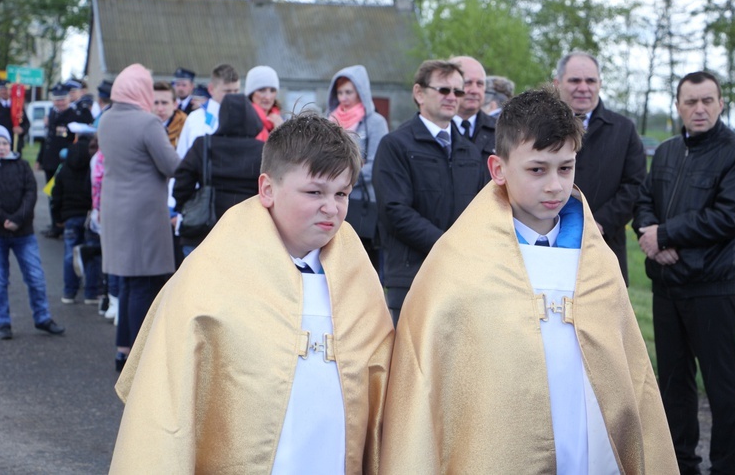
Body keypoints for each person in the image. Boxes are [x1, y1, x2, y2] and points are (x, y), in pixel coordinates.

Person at [380, 87, 678, 473]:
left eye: (566, 167)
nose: (555, 185)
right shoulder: (459, 261)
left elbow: (628, 371)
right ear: (498, 169)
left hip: (590, 442)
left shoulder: (595, 260)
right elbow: (426, 376)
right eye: (537, 169)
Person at [110, 112, 394, 473]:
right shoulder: (212, 271)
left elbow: (379, 382)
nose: (331, 207)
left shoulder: (357, 275)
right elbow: (166, 398)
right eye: (314, 192)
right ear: (267, 189)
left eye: (342, 193)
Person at [633, 71, 735, 475]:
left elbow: (730, 216)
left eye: (707, 101)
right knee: (674, 384)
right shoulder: (664, 151)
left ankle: (727, 467)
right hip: (666, 287)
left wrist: (664, 234)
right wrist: (651, 234)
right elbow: (644, 200)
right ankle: (681, 464)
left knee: (722, 390)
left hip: (710, 288)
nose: (699, 109)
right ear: (678, 105)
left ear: (720, 103)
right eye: (690, 102)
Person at [372, 59, 484, 326]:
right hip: (413, 277)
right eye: (444, 90)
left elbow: (483, 210)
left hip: (462, 278)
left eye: (457, 91)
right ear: (419, 93)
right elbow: (394, 211)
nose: (452, 97)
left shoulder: (470, 151)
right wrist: (447, 245)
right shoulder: (395, 146)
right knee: (411, 365)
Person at [97, 63, 181, 372]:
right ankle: (138, 355)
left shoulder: (106, 120)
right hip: (143, 211)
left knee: (129, 281)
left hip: (115, 208)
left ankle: (123, 349)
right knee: (144, 283)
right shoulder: (148, 123)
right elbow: (171, 165)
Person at [554, 51, 646, 285]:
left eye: (591, 81)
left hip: (605, 247)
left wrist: (599, 223)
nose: (583, 87)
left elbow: (635, 185)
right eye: (575, 80)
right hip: (547, 243)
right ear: (558, 83)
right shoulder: (538, 128)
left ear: (600, 84)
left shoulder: (624, 130)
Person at [173, 93, 264, 256]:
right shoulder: (263, 150)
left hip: (204, 229)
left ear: (222, 117)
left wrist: (185, 205)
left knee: (199, 280)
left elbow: (181, 180)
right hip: (248, 229)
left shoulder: (204, 145)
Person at [0, 125, 65, 340]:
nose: (1, 147)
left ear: (10, 144)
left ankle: (43, 317)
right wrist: (4, 219)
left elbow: (30, 193)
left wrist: (17, 219)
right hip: (0, 233)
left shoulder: (22, 166)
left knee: (35, 277)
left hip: (23, 233)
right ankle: (3, 321)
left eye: (4, 143)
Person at [326, 64, 389, 270]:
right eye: (340, 92)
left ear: (361, 91)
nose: (343, 97)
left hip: (361, 201)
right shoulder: (330, 120)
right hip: (331, 199)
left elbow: (377, 163)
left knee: (362, 262)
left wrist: (343, 179)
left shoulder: (375, 122)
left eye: (349, 92)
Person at [37, 83, 94, 239]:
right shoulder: (52, 113)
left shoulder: (75, 115)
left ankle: (62, 224)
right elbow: (47, 138)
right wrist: (40, 158)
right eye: (57, 100)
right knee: (51, 194)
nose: (60, 103)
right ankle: (55, 223)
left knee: (61, 194)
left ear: (69, 99)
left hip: (65, 163)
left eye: (62, 100)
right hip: (50, 160)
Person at [50, 137, 100, 305]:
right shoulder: (92, 168)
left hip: (70, 217)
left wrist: (57, 218)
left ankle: (69, 292)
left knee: (70, 254)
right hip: (87, 215)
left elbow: (55, 195)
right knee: (91, 254)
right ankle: (91, 293)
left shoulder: (63, 170)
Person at [176, 64, 241, 159]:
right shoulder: (195, 119)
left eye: (236, 91)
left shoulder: (243, 118)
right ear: (211, 89)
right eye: (227, 91)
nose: (232, 96)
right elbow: (181, 156)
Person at [451, 56, 496, 173]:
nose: (474, 90)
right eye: (468, 83)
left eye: (480, 84)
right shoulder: (434, 130)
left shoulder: (502, 131)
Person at [245, 65, 283, 140]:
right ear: (251, 93)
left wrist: (283, 132)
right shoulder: (242, 119)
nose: (268, 97)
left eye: (272, 90)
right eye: (262, 90)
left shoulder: (281, 120)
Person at [0, 79, 30, 155]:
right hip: (0, 145)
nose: (3, 92)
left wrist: (21, 130)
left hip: (15, 144)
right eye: (1, 89)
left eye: (5, 89)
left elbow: (26, 123)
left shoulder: (17, 105)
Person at [152, 81, 186, 149]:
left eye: (164, 103)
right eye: (155, 103)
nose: (160, 109)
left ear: (175, 105)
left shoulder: (185, 126)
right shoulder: (141, 127)